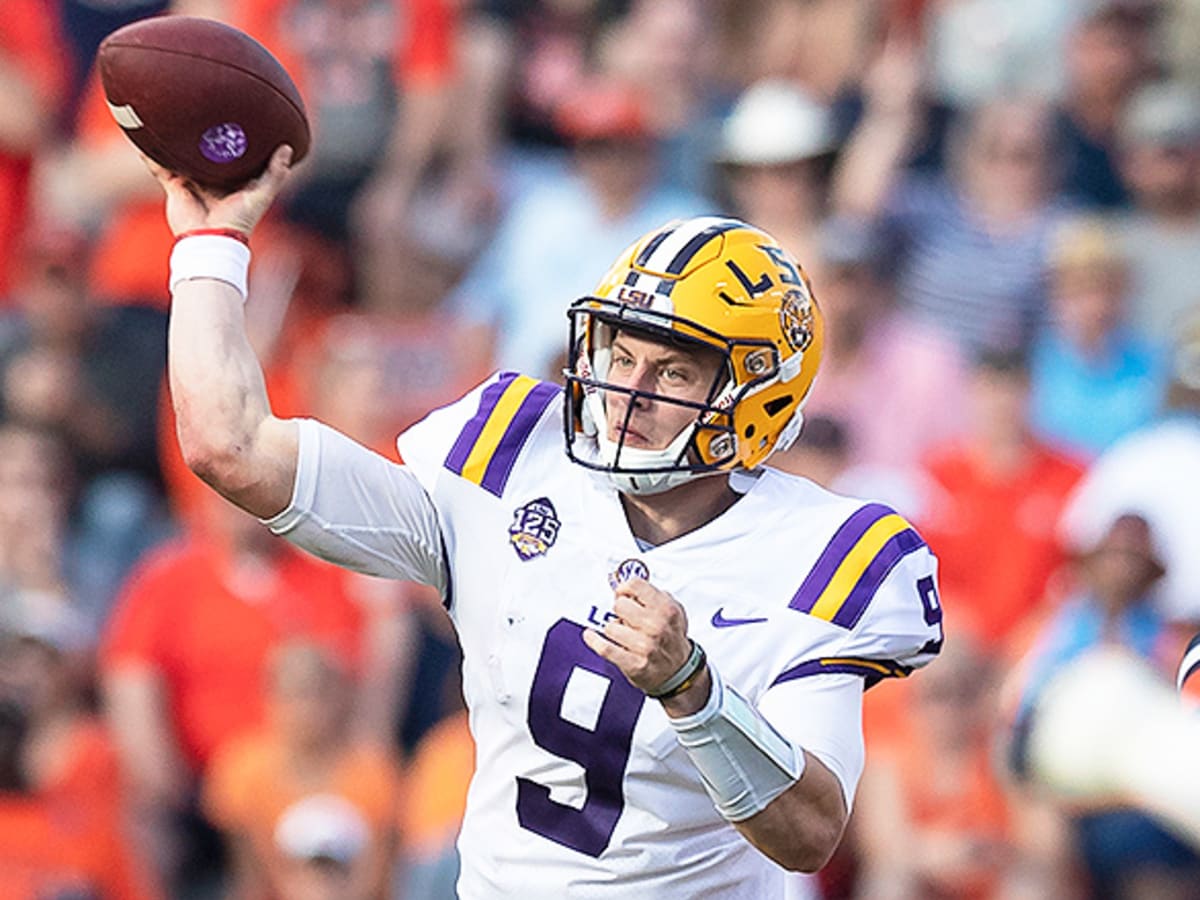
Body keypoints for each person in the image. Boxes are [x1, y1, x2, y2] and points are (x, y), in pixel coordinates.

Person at [150, 145, 943, 896]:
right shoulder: (512, 458)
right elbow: (232, 445)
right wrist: (210, 245)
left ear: (755, 400)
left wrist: (692, 690)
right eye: (622, 355)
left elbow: (810, 833)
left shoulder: (818, 554)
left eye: (672, 370)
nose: (630, 392)